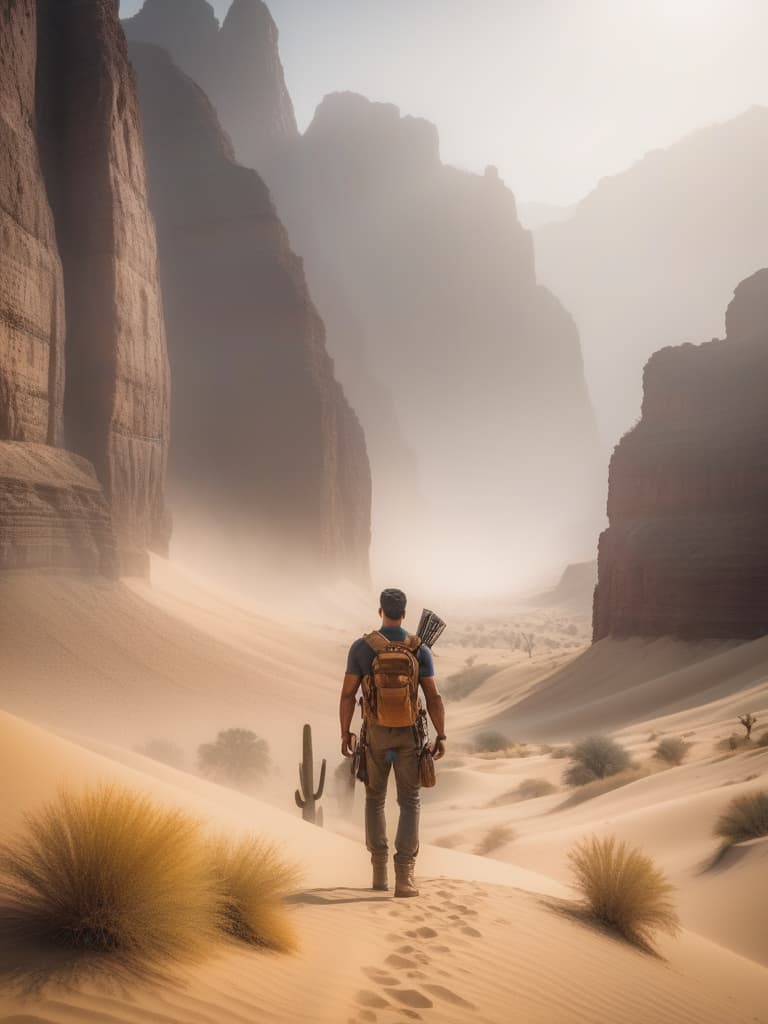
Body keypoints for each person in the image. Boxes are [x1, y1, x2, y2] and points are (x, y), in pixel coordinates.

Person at [340, 588, 446, 898]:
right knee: (409, 801)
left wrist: (345, 732)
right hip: (409, 735)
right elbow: (433, 697)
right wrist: (441, 735)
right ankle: (405, 877)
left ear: (380, 611)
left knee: (375, 799)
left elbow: (348, 694)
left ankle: (378, 873)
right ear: (405, 613)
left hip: (375, 734)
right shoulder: (418, 650)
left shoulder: (362, 647)